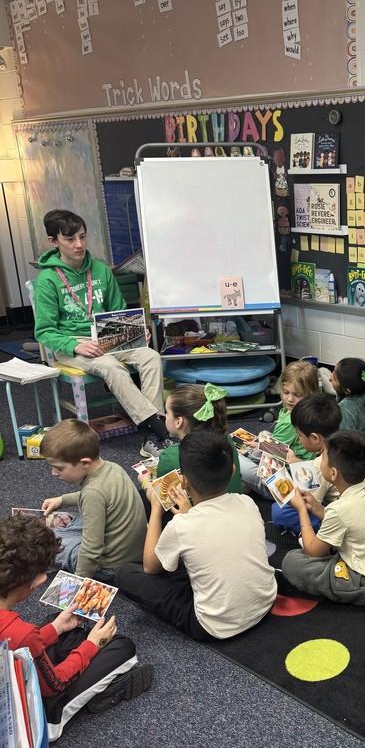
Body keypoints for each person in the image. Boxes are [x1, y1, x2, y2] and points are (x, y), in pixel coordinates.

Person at [0, 515, 153, 741]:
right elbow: (55, 683)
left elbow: (16, 643)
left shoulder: (18, 631)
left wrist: (56, 628)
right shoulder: (23, 634)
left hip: (9, 671)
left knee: (61, 626)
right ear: (35, 581)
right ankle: (54, 716)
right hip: (23, 716)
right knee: (123, 647)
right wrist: (92, 645)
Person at [33, 209, 169, 458]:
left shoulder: (101, 270)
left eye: (82, 237)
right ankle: (159, 431)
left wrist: (135, 332)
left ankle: (151, 435)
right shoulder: (48, 279)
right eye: (70, 239)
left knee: (151, 356)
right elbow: (44, 331)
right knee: (110, 366)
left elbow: (118, 311)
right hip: (72, 343)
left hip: (108, 335)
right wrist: (75, 346)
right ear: (53, 241)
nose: (79, 244)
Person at [116, 431, 277, 640]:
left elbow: (150, 567)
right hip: (264, 603)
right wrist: (189, 514)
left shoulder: (182, 525)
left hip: (213, 625)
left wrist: (156, 510)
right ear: (232, 470)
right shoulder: (247, 503)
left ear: (183, 481)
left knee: (126, 574)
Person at [280, 430, 365, 606]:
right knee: (331, 542)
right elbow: (350, 519)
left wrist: (302, 509)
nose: (319, 460)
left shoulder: (339, 510)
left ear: (333, 473)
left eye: (322, 457)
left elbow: (312, 552)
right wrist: (316, 508)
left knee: (292, 562)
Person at [40, 419, 147, 578]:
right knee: (75, 520)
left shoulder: (93, 493)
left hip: (110, 566)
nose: (53, 473)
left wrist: (79, 581)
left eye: (59, 468)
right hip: (134, 550)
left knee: (45, 545)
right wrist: (62, 500)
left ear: (84, 463)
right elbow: (101, 498)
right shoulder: (113, 467)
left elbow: (91, 549)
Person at [265, 394, 365, 544]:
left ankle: (321, 531)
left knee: (279, 512)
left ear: (315, 438)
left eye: (299, 435)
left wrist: (273, 484)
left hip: (349, 519)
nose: (298, 439)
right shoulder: (348, 442)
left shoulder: (321, 465)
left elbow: (306, 503)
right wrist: (295, 461)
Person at [239, 359, 319, 492]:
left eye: (297, 395)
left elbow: (274, 453)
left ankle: (253, 484)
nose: (290, 399)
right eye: (286, 392)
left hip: (282, 483)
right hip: (292, 462)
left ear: (310, 394)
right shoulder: (309, 410)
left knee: (235, 458)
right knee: (264, 434)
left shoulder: (292, 421)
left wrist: (248, 453)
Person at [152, 382, 242, 494]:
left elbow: (162, 496)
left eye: (167, 412)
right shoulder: (226, 439)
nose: (165, 416)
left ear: (179, 422)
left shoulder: (169, 457)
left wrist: (145, 482)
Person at [330, 358, 365, 466]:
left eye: (334, 378)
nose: (329, 377)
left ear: (347, 390)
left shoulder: (344, 409)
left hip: (362, 461)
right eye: (333, 371)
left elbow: (344, 442)